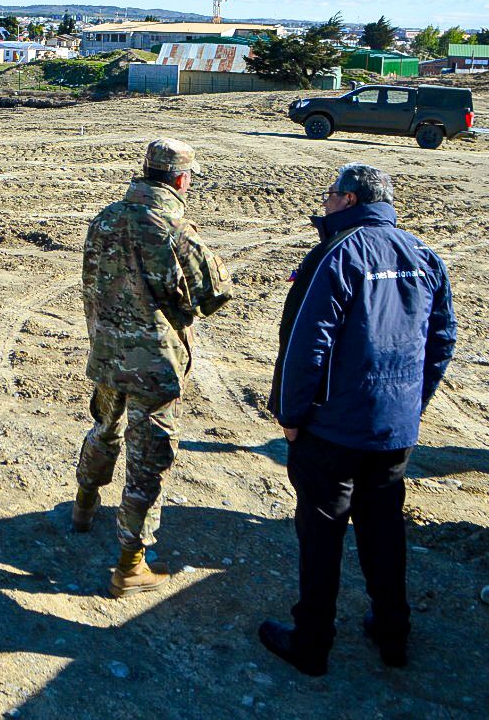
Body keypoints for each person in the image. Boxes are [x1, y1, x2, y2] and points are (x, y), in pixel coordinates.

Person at [261, 163, 455, 676]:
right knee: (383, 527)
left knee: (322, 533)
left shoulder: (338, 253)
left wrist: (290, 412)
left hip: (333, 428)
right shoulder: (423, 254)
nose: (324, 203)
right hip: (393, 430)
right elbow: (441, 342)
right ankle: (393, 633)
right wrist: (413, 405)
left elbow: (307, 341)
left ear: (348, 200)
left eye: (329, 195)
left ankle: (312, 643)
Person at [74, 138, 232, 598]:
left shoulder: (103, 220)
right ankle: (130, 565)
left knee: (104, 428)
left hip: (107, 354)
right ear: (181, 179)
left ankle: (84, 504)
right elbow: (214, 293)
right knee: (148, 460)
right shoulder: (175, 230)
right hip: (155, 367)